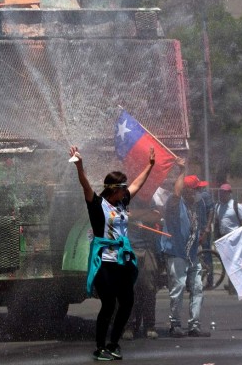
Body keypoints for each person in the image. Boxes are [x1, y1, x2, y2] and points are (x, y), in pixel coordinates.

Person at [69, 145, 156, 361]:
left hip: (122, 261)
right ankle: (100, 347)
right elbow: (85, 185)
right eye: (122, 187)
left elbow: (137, 184)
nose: (126, 191)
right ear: (113, 188)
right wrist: (80, 167)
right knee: (108, 304)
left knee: (127, 302)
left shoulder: (123, 202)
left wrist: (150, 166)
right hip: (105, 262)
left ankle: (114, 343)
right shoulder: (97, 204)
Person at [161, 158, 211, 338]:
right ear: (186, 190)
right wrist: (182, 170)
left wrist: (199, 243)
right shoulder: (174, 203)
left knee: (197, 288)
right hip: (176, 251)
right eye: (196, 189)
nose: (199, 192)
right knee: (179, 286)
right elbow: (176, 192)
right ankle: (174, 324)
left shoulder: (200, 205)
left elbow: (202, 227)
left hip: (192, 253)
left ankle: (194, 325)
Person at [122, 200, 165, 341]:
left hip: (147, 250)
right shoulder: (124, 199)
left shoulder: (149, 199)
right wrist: (145, 213)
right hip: (129, 249)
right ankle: (128, 326)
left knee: (149, 289)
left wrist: (135, 215)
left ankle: (149, 326)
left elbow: (156, 217)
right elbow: (121, 215)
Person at [213, 183, 242, 294]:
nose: (223, 194)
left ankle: (234, 286)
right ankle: (233, 284)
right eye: (221, 192)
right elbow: (217, 222)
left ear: (229, 193)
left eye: (225, 192)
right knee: (228, 263)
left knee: (234, 263)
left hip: (235, 238)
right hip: (223, 238)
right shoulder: (218, 206)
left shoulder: (237, 206)